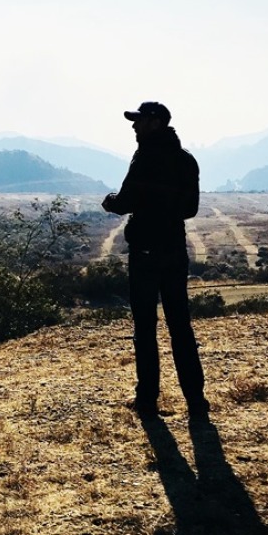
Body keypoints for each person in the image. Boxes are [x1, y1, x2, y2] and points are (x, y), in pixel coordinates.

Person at [102, 101, 208, 418]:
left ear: (156, 123)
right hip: (175, 249)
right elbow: (191, 209)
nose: (134, 127)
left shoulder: (144, 158)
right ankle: (196, 402)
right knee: (181, 327)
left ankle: (147, 401)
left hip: (146, 252)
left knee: (145, 329)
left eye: (139, 121)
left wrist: (109, 201)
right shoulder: (187, 160)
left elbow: (124, 203)